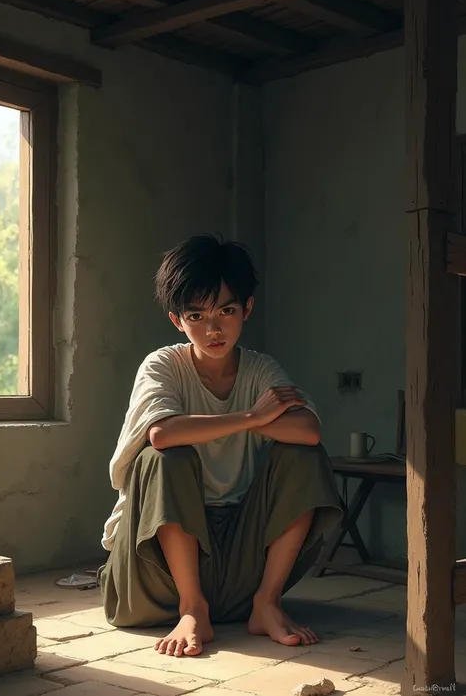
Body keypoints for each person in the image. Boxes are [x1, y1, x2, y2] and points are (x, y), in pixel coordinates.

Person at [99, 233, 342, 659]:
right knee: (164, 457)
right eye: (197, 315)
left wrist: (265, 418)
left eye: (227, 311)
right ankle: (192, 609)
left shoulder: (259, 369)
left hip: (237, 563)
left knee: (303, 455)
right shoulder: (163, 365)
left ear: (246, 309)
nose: (213, 329)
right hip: (154, 570)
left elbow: (308, 431)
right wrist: (252, 419)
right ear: (178, 320)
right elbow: (162, 434)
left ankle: (266, 604)